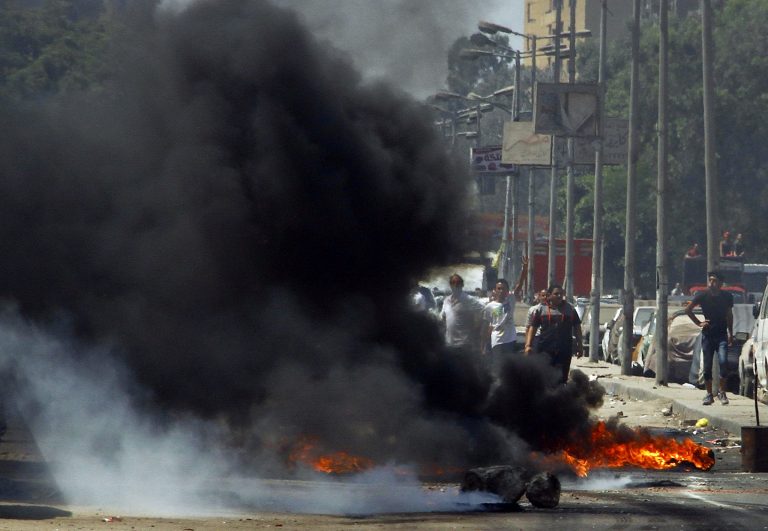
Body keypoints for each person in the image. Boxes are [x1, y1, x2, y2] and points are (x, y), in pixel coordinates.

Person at [684, 271, 734, 406]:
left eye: (715, 281)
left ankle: (722, 392)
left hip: (722, 335)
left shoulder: (727, 297)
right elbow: (688, 309)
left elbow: (729, 315)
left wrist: (731, 332)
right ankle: (709, 394)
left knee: (723, 363)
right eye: (710, 280)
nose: (712, 283)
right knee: (707, 367)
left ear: (721, 283)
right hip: (707, 335)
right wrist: (699, 323)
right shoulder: (702, 295)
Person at [524, 284, 584, 384]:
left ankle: (559, 397)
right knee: (544, 377)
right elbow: (533, 328)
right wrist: (528, 345)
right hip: (545, 349)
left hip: (564, 350)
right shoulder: (540, 310)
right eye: (556, 294)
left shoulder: (570, 309)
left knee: (561, 378)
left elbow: (577, 328)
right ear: (549, 295)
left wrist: (580, 345)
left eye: (561, 294)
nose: (559, 296)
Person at [480, 257, 528, 365]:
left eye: (503, 288)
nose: (501, 291)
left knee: (508, 366)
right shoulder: (489, 307)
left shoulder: (510, 300)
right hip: (496, 341)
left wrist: (524, 270)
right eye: (499, 288)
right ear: (495, 290)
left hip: (510, 340)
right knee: (497, 366)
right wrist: (483, 346)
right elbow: (486, 327)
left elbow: (519, 285)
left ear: (507, 290)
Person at [440, 273, 486, 350]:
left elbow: (484, 310)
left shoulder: (468, 299)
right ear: (450, 285)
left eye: (458, 283)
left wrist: (477, 324)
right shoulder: (446, 300)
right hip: (449, 342)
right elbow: (443, 316)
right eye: (453, 283)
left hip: (464, 343)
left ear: (462, 285)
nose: (455, 285)